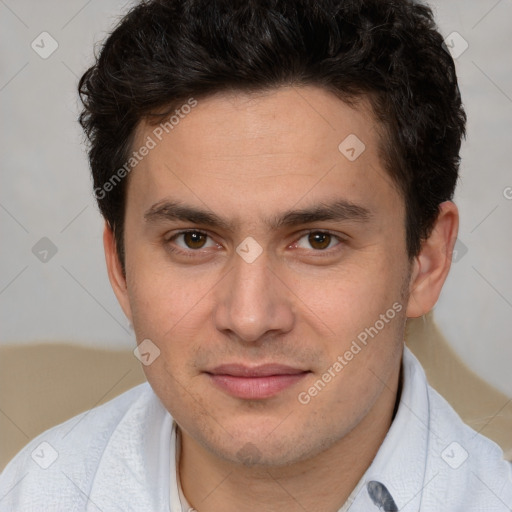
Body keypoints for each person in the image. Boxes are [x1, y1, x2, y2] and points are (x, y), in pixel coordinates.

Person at [1, 0, 511, 510]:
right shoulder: (34, 493)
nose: (249, 318)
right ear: (120, 268)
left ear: (426, 260)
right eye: (193, 240)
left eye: (318, 240)